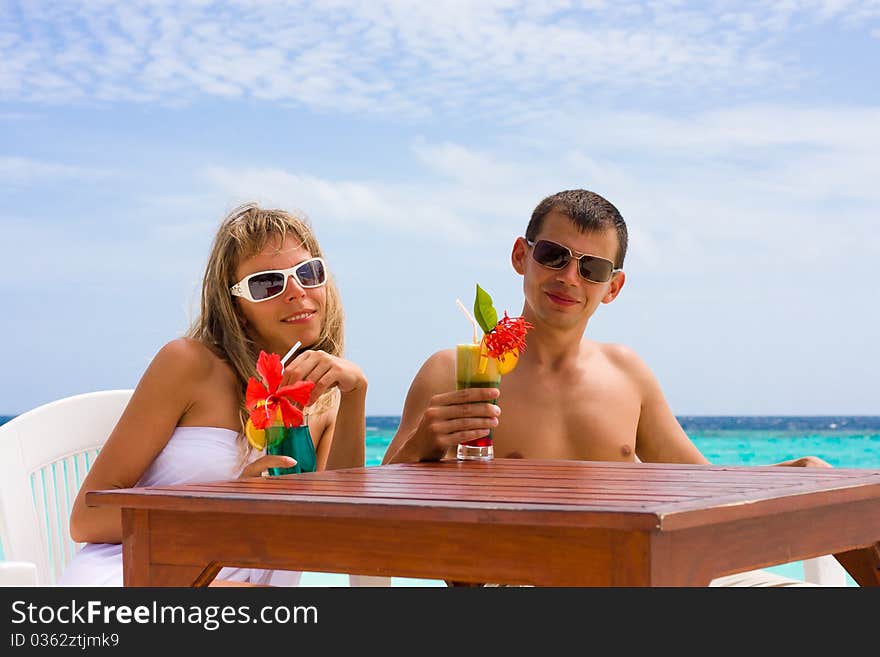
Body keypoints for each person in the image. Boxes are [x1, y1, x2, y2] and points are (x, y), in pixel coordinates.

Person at [382, 188, 830, 586]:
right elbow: (379, 505)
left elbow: (703, 484)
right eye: (554, 255)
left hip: (650, 573)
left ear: (612, 287)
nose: (569, 278)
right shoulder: (456, 371)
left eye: (592, 268)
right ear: (522, 255)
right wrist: (423, 443)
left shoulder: (626, 372)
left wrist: (790, 471)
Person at [59, 202, 367, 586]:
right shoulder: (189, 364)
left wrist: (355, 395)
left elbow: (340, 535)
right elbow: (85, 520)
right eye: (268, 283)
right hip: (143, 578)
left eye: (308, 272)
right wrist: (228, 508)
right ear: (235, 306)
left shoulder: (325, 400)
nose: (296, 291)